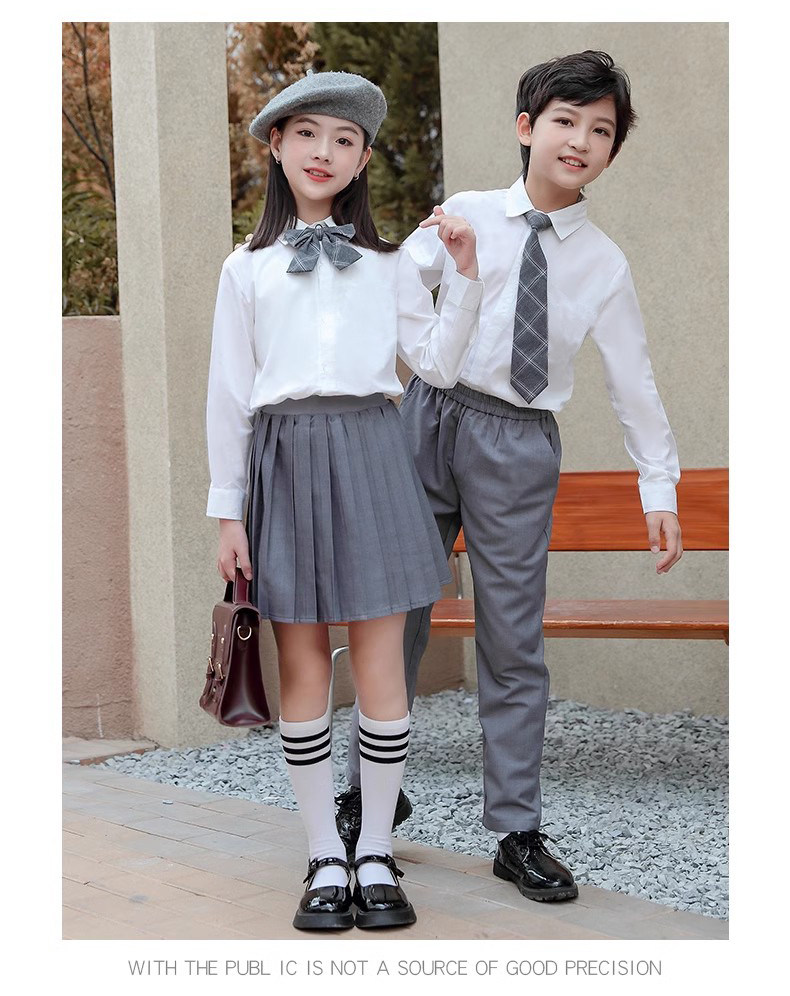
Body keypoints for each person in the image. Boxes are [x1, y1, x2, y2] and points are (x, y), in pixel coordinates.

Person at [336, 49, 683, 903]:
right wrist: (398, 364)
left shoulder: (604, 263)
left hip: (519, 443)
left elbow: (632, 378)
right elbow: (396, 284)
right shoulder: (467, 213)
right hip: (428, 418)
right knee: (393, 615)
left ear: (611, 152)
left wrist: (659, 486)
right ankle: (368, 793)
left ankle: (517, 829)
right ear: (528, 127)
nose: (581, 139)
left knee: (513, 638)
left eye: (601, 130)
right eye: (566, 120)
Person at [205, 70, 483, 931]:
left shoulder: (388, 265)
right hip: (283, 460)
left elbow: (436, 365)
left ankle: (376, 853)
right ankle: (325, 851)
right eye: (307, 133)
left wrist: (464, 280)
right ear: (276, 146)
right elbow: (229, 394)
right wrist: (228, 511)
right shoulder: (245, 268)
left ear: (363, 160)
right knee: (301, 663)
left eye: (344, 139)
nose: (323, 151)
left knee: (380, 662)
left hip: (372, 452)